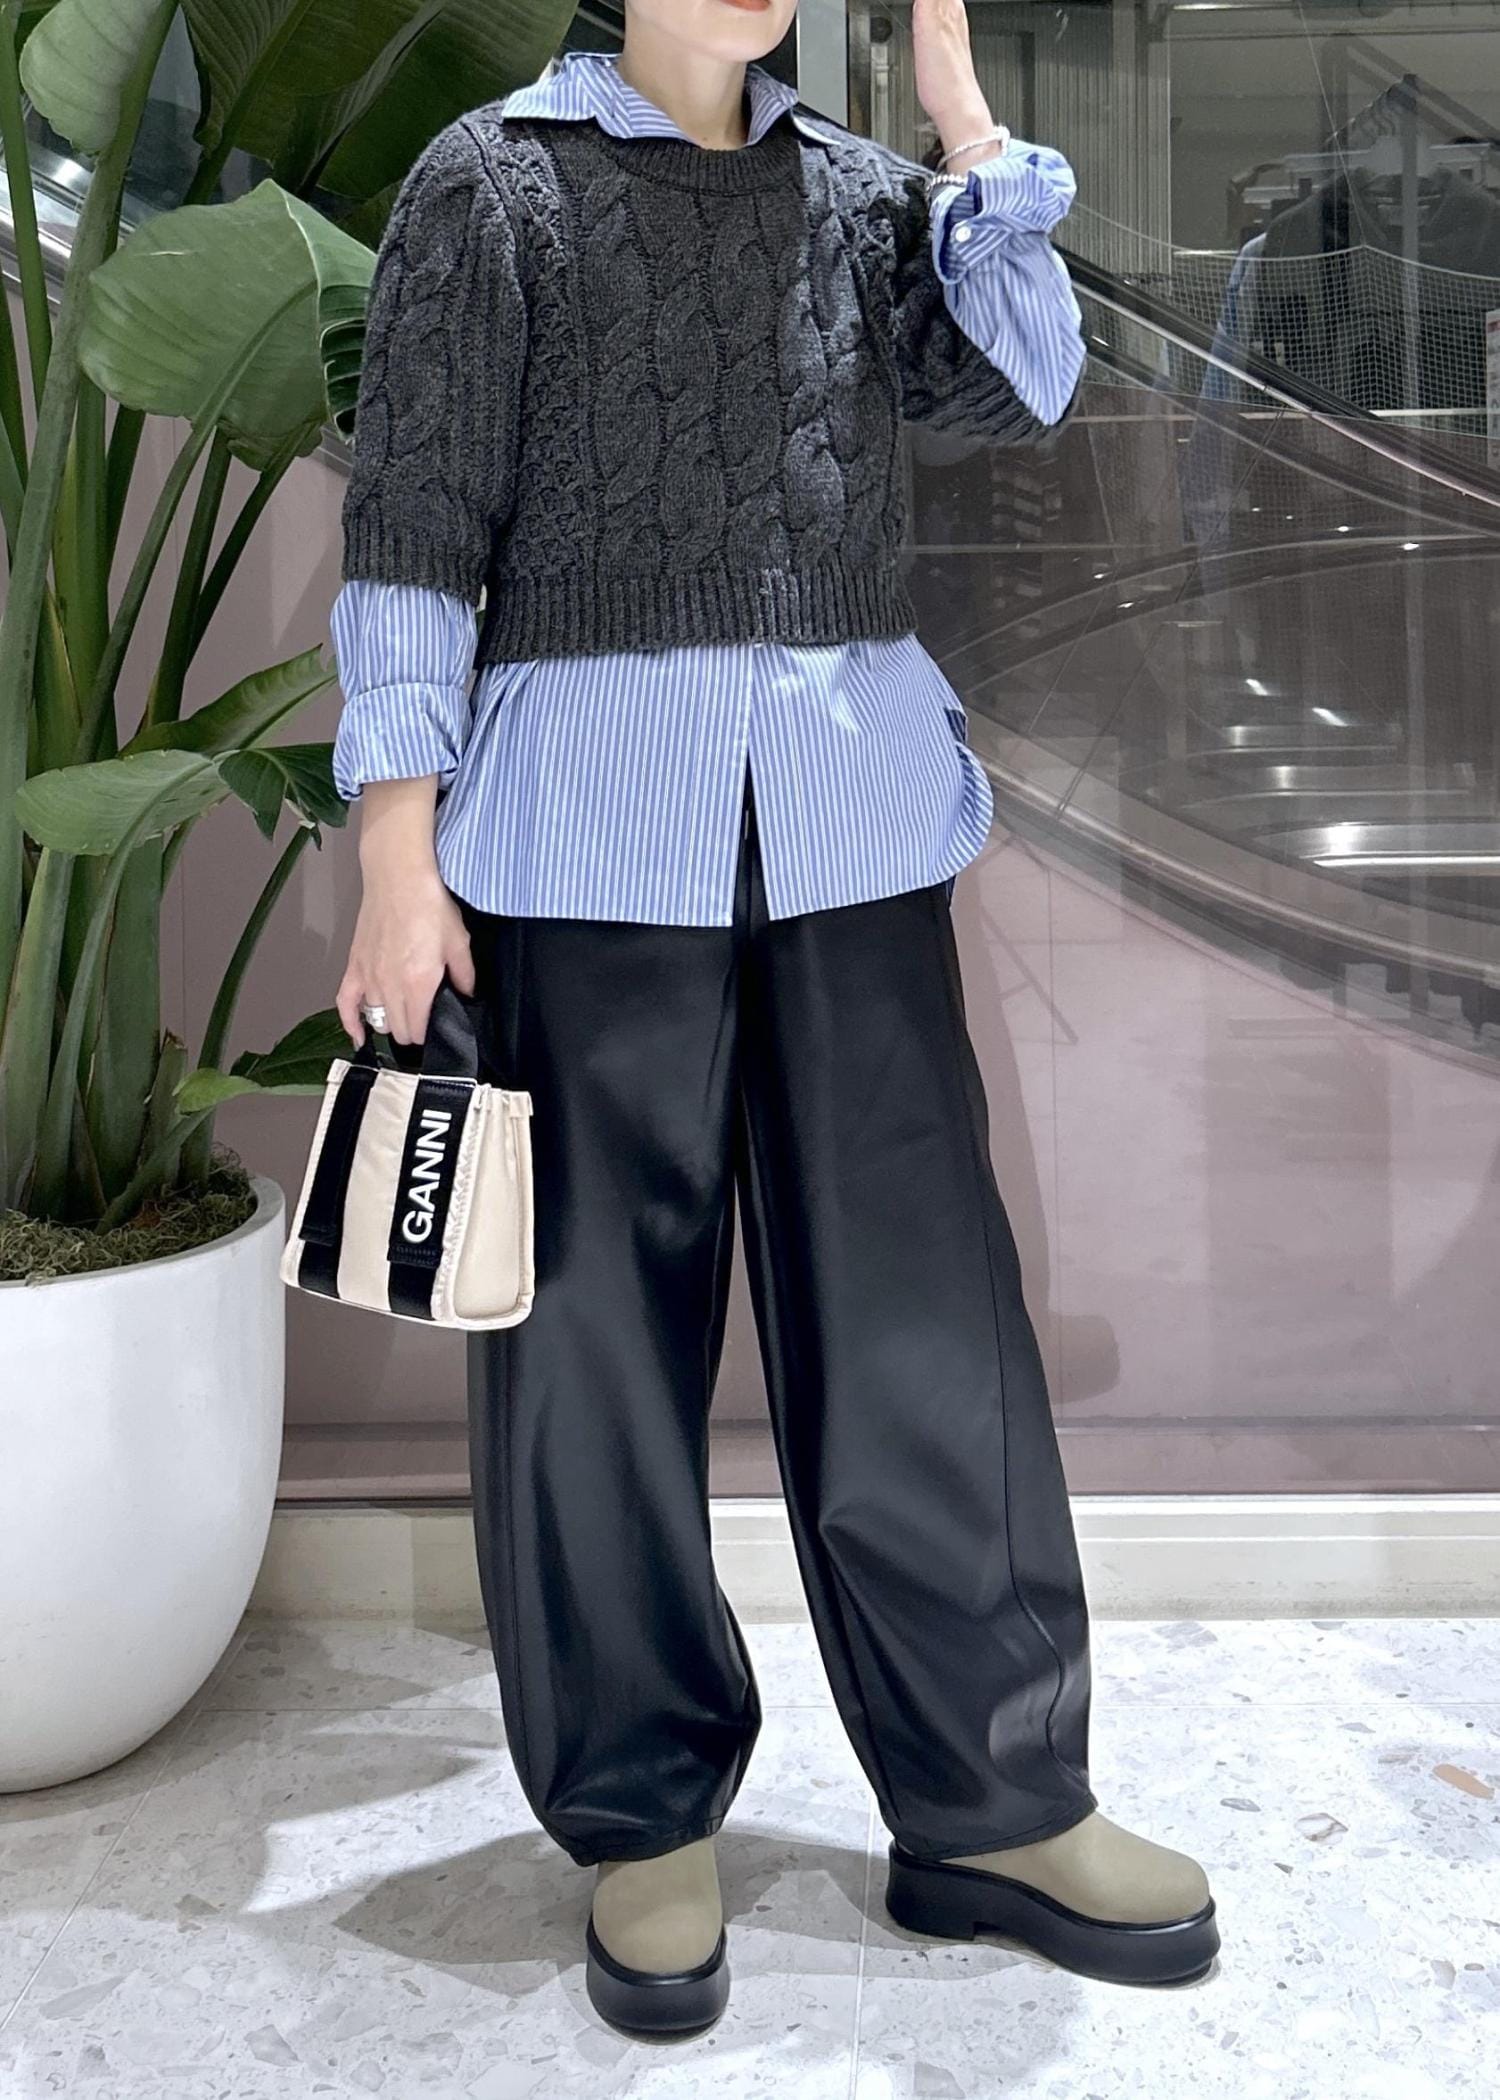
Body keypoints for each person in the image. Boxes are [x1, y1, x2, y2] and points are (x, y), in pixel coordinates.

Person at [329, 0, 1218, 2041]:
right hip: (580, 842)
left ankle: (996, 1802)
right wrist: (395, 845)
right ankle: (640, 1815)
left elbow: (1027, 381)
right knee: (594, 1348)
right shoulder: (493, 189)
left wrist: (965, 125)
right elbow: (418, 516)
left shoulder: (866, 203)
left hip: (849, 827)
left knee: (928, 1324)